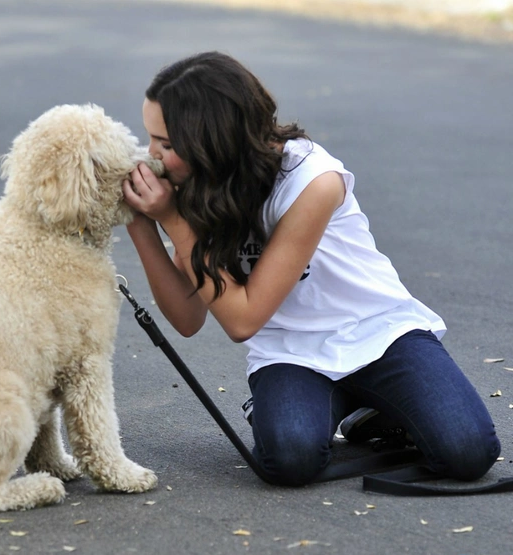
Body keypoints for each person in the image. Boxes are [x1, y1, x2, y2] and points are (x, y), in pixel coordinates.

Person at [121, 51, 500, 487]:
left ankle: (373, 406)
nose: (152, 157)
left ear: (214, 140)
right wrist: (141, 225)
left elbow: (243, 319)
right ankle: (319, 404)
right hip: (291, 351)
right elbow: (187, 319)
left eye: (166, 145)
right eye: (150, 140)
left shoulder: (312, 180)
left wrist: (173, 222)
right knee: (288, 460)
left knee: (470, 453)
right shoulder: (197, 184)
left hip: (377, 332)